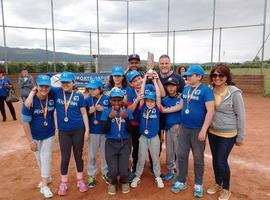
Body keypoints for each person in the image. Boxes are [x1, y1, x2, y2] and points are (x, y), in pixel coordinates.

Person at [25, 72, 89, 196]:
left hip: (78, 130)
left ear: (73, 83)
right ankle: (63, 182)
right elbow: (41, 86)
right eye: (63, 82)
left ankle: (80, 180)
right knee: (65, 157)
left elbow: (84, 113)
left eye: (68, 82)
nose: (65, 84)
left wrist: (87, 130)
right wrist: (31, 94)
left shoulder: (79, 96)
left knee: (78, 156)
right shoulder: (56, 92)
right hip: (64, 131)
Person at [162, 65, 215, 198]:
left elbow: (211, 111)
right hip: (184, 128)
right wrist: (165, 110)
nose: (188, 77)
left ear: (199, 77)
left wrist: (204, 130)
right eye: (188, 75)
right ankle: (181, 180)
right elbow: (181, 105)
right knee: (181, 156)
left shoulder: (206, 90)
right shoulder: (186, 89)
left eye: (191, 75)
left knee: (198, 158)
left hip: (197, 129)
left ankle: (198, 184)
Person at [207, 63, 245, 200]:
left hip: (228, 133)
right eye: (214, 75)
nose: (217, 78)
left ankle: (226, 188)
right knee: (215, 160)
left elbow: (241, 115)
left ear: (227, 77)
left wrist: (240, 136)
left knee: (221, 161)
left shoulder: (234, 92)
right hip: (212, 132)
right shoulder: (209, 90)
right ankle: (218, 183)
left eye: (221, 75)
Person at [21, 75, 55, 198]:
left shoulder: (52, 96)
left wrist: (32, 91)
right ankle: (47, 177)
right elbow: (25, 122)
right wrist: (31, 141)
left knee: (45, 157)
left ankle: (45, 185)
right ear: (37, 86)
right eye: (41, 86)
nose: (44, 89)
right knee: (39, 158)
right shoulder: (29, 102)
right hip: (35, 135)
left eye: (47, 86)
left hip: (49, 133)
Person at [130, 72, 164, 189]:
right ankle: (137, 176)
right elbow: (142, 93)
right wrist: (144, 79)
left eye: (152, 100)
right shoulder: (142, 106)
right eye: (148, 100)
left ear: (155, 101)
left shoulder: (157, 108)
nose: (150, 102)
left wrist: (154, 81)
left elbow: (158, 96)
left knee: (155, 158)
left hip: (154, 137)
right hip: (143, 138)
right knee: (141, 157)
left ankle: (158, 176)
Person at [101, 87, 133, 195]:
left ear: (122, 100)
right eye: (114, 100)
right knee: (113, 170)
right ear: (110, 100)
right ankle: (113, 183)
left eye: (119, 100)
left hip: (124, 143)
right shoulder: (106, 112)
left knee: (124, 170)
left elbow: (130, 130)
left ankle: (124, 181)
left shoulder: (127, 111)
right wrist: (109, 118)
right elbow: (104, 130)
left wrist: (127, 118)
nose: (116, 102)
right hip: (111, 143)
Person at [84, 78, 110, 188]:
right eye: (90, 89)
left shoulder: (107, 99)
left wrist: (103, 109)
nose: (91, 91)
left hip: (104, 132)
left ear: (100, 89)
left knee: (105, 155)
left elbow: (112, 113)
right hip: (93, 132)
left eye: (94, 89)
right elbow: (83, 115)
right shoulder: (87, 100)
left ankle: (105, 173)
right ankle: (91, 175)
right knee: (92, 155)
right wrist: (89, 112)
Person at [161, 77, 181, 182]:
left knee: (179, 151)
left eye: (173, 85)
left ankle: (179, 172)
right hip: (168, 129)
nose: (170, 88)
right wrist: (163, 129)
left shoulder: (181, 98)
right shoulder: (165, 100)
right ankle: (170, 170)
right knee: (169, 151)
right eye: (168, 86)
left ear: (177, 86)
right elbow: (162, 116)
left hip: (179, 129)